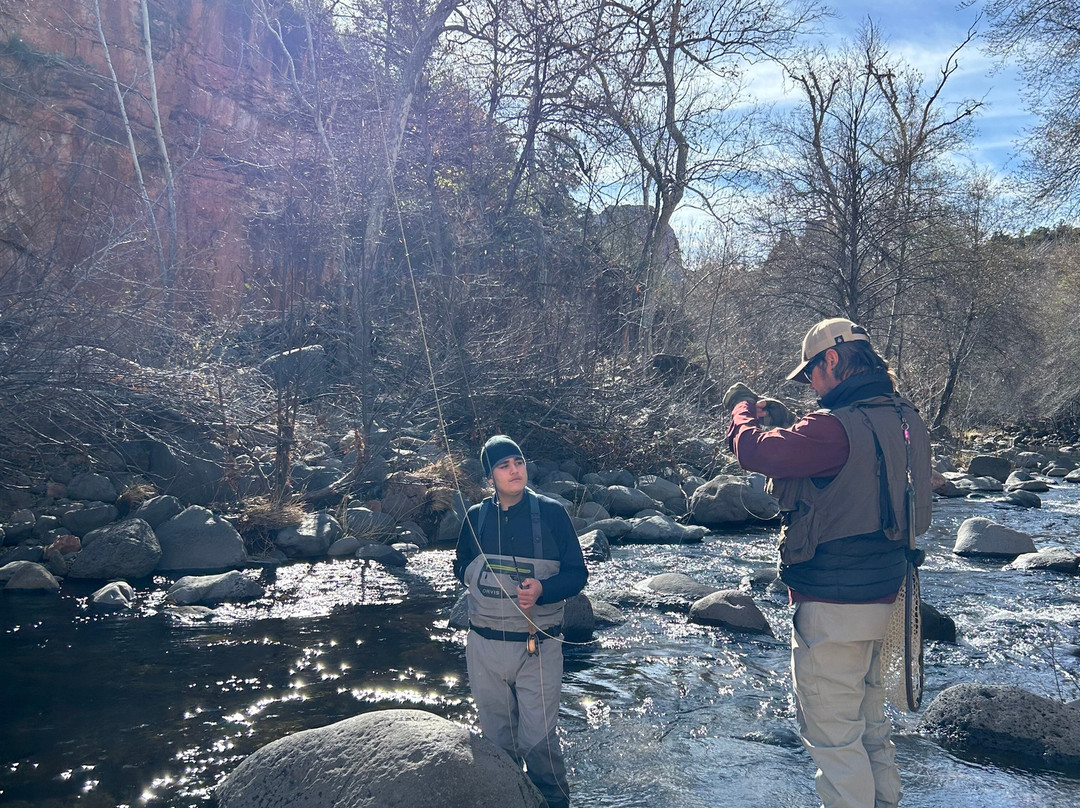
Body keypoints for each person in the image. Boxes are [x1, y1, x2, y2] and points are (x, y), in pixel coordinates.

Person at [726, 318, 932, 808]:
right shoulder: (907, 418)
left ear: (833, 359)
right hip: (890, 599)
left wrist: (739, 412)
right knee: (871, 732)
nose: (812, 385)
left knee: (836, 745)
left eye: (812, 374)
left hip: (833, 607)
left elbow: (755, 451)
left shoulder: (832, 428)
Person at [454, 434, 588, 808]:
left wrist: (543, 589)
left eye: (518, 462)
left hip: (538, 647)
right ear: (490, 475)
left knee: (539, 743)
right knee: (498, 745)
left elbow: (578, 575)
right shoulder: (476, 516)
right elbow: (459, 565)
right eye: (503, 465)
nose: (514, 471)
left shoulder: (552, 513)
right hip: (483, 647)